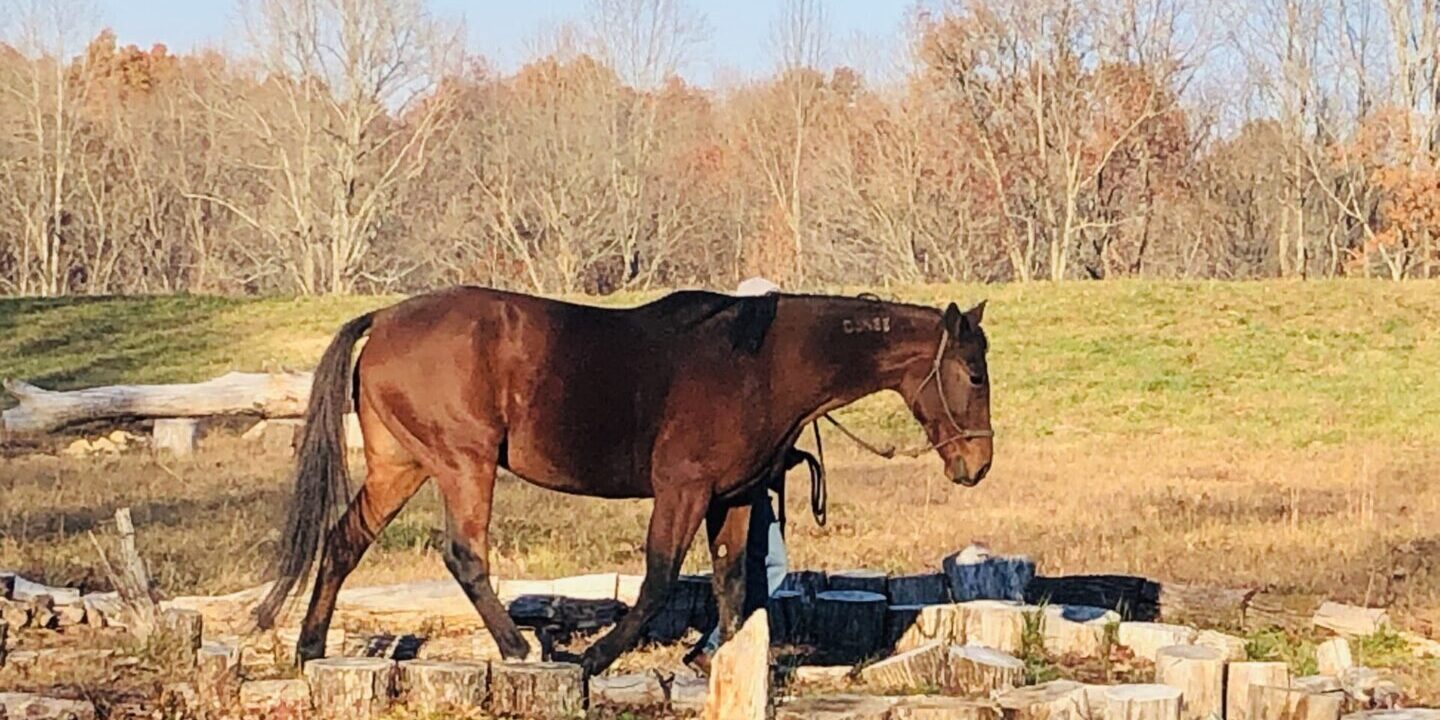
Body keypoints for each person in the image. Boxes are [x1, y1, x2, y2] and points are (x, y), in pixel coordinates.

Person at [684, 277, 793, 676]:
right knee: (766, 567)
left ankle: (727, 647)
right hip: (741, 486)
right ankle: (724, 649)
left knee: (768, 566)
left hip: (752, 482)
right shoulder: (739, 371)